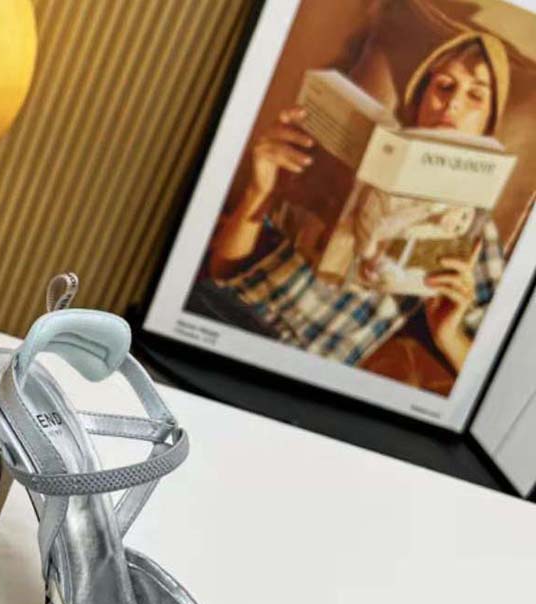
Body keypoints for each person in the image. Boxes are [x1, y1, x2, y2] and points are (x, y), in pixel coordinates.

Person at [207, 32, 511, 376]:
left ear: (488, 123)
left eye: (475, 95)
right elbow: (222, 271)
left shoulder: (475, 226)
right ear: (421, 97)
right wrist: (258, 189)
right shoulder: (342, 156)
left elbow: (491, 373)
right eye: (444, 86)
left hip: (303, 362)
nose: (452, 103)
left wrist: (449, 336)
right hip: (226, 313)